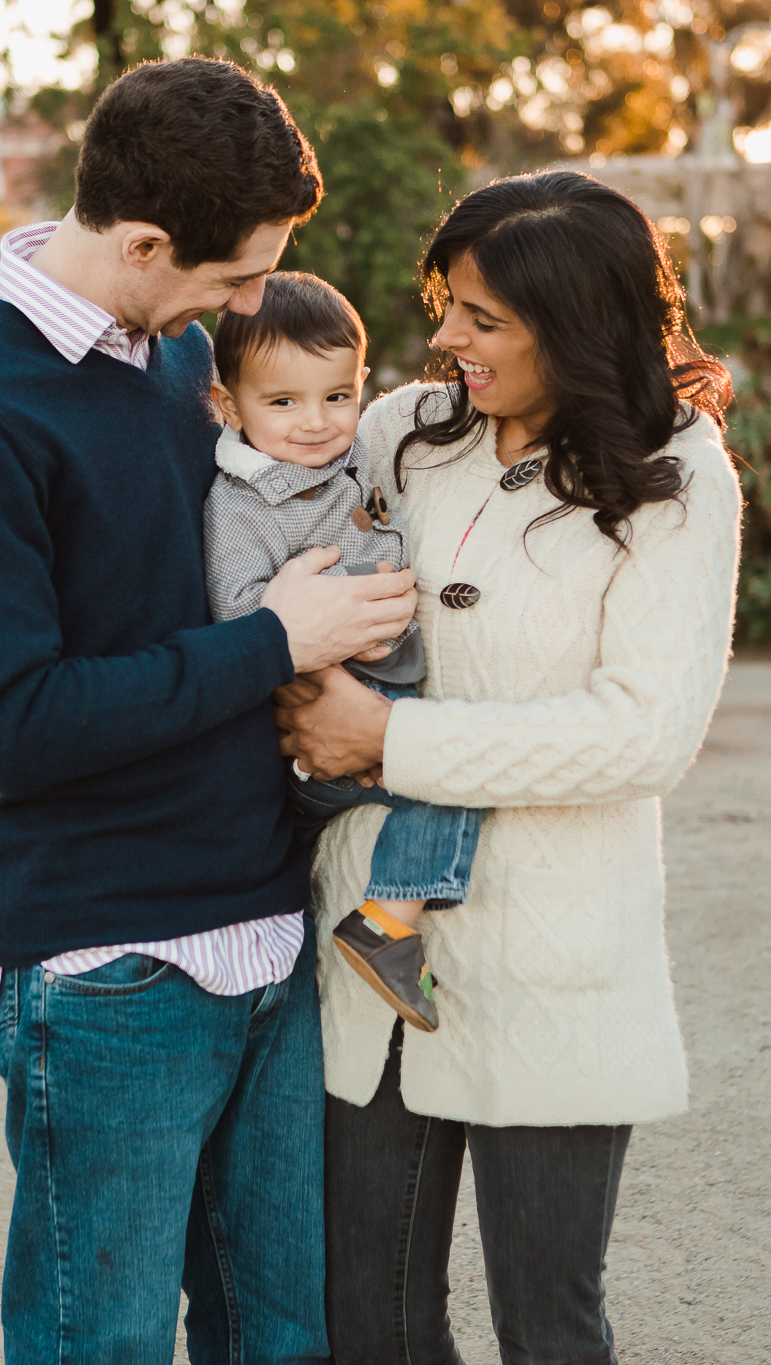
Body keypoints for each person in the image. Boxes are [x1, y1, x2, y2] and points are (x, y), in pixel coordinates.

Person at [0, 58, 414, 1365]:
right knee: (99, 1349)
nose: (252, 307)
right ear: (140, 241)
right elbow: (22, 721)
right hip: (113, 971)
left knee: (288, 1340)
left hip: (271, 937)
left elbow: (322, 464)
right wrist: (273, 642)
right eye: (238, 277)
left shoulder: (187, 359)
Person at [274, 170, 740, 1363]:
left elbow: (644, 730)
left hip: (553, 963)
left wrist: (388, 742)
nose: (444, 339)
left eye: (481, 318)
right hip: (373, 964)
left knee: (547, 1327)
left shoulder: (675, 477)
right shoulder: (405, 437)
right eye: (447, 305)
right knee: (366, 1326)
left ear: (575, 323)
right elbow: (263, 466)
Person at [201, 271, 487, 1035]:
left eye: (336, 395)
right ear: (227, 406)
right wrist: (331, 678)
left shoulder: (355, 455)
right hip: (321, 714)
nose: (316, 422)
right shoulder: (245, 504)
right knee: (448, 770)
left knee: (443, 754)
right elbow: (241, 618)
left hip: (381, 686)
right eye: (283, 402)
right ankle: (389, 919)